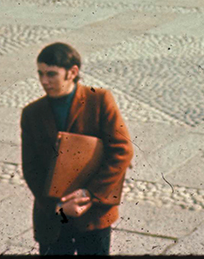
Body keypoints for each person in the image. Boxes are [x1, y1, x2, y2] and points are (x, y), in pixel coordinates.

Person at [20, 43, 134, 256]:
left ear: (72, 72)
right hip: (53, 217)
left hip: (94, 215)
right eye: (40, 74)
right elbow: (31, 168)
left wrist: (90, 194)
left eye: (52, 74)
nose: (44, 81)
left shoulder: (99, 100)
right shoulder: (31, 113)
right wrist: (57, 207)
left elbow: (122, 151)